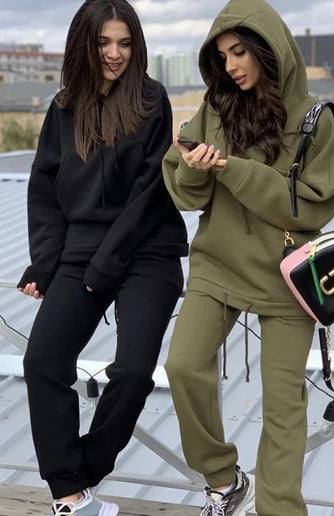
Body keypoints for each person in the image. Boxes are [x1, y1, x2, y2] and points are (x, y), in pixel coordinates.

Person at [162, 0, 334, 514]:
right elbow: (185, 194)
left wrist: (235, 170)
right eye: (222, 56)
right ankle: (224, 478)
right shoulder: (216, 107)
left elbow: (314, 206)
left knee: (283, 407)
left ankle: (279, 509)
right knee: (182, 366)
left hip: (288, 278)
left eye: (240, 52)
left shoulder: (316, 118)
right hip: (216, 264)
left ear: (270, 48)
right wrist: (195, 168)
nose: (231, 66)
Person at [16, 1, 188, 515]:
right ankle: (71, 497)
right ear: (83, 45)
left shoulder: (152, 100)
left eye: (125, 43)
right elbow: (45, 188)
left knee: (132, 372)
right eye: (104, 43)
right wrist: (44, 262)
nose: (115, 54)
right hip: (80, 255)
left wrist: (105, 266)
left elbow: (150, 192)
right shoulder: (64, 106)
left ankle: (84, 470)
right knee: (42, 362)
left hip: (148, 250)